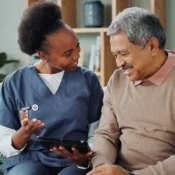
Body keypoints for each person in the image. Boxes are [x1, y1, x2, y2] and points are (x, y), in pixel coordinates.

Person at [0, 1, 103, 175]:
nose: (77, 56)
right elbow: (4, 146)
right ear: (43, 56)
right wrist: (23, 133)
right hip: (28, 159)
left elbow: (98, 134)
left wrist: (85, 157)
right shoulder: (14, 84)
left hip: (72, 163)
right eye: (68, 53)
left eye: (77, 46)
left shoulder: (89, 80)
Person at [87, 7, 175, 175]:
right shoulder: (117, 80)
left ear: (152, 46)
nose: (119, 63)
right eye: (115, 55)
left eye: (124, 53)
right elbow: (106, 134)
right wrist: (101, 168)